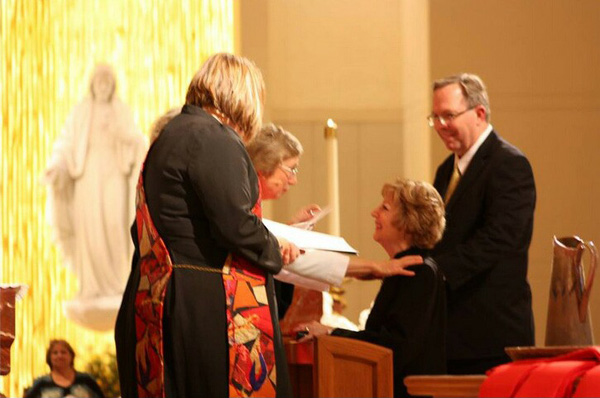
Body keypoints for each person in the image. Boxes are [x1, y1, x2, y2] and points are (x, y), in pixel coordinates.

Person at [115, 53, 300, 398]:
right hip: (205, 303)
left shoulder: (171, 135)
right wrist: (275, 250)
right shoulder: (214, 138)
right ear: (241, 95)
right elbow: (235, 224)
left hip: (167, 291)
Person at [246, 124, 424, 319]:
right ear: (266, 164)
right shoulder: (243, 207)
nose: (293, 180)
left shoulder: (249, 204)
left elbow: (267, 245)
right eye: (291, 170)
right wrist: (375, 266)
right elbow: (285, 256)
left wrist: (291, 231)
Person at [295, 178, 447, 398]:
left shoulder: (418, 271)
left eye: (384, 208)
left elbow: (395, 347)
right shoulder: (405, 269)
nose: (373, 212)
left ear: (408, 221)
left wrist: (332, 333)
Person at [428, 73, 536, 374]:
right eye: (435, 117)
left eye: (448, 115)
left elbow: (500, 240)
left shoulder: (509, 164)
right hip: (453, 335)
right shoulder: (445, 169)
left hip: (490, 334)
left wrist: (434, 272)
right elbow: (438, 237)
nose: (440, 125)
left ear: (479, 113)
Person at [43, 64, 147, 331]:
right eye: (98, 80)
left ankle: (116, 282)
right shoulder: (81, 112)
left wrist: (128, 139)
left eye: (107, 80)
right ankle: (92, 287)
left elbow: (136, 141)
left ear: (112, 84)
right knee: (90, 231)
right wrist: (57, 166)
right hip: (88, 178)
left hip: (114, 177)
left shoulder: (120, 110)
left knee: (114, 227)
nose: (102, 85)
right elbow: (66, 145)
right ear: (92, 83)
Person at [25, 339, 105, 398]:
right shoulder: (41, 383)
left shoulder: (86, 380)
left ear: (71, 356)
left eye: (63, 352)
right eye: (55, 353)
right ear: (49, 358)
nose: (59, 356)